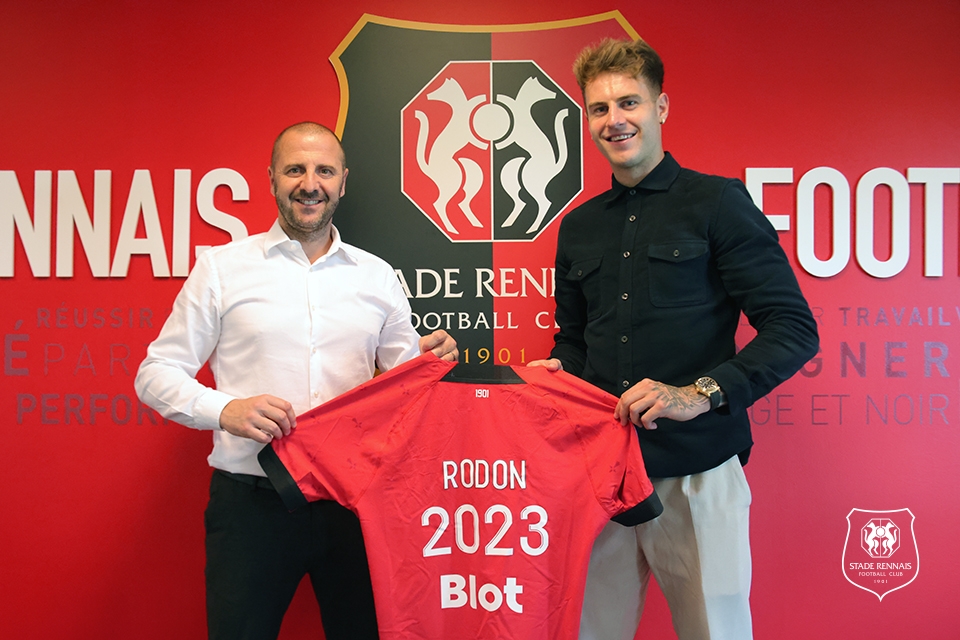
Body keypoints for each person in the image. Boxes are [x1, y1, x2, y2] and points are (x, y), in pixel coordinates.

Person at [529, 39, 819, 639]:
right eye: (599, 108)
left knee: (716, 631)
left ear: (661, 107)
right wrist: (558, 371)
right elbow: (575, 342)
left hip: (698, 469)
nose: (614, 120)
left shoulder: (718, 203)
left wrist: (696, 393)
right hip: (600, 474)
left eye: (628, 102)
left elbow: (793, 328)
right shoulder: (578, 226)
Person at [135, 121, 458, 640]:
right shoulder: (220, 269)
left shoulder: (377, 275)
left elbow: (405, 383)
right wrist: (225, 410)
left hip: (354, 504)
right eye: (295, 170)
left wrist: (429, 359)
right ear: (271, 178)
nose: (310, 184)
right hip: (251, 506)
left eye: (324, 171)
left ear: (343, 182)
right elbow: (155, 374)